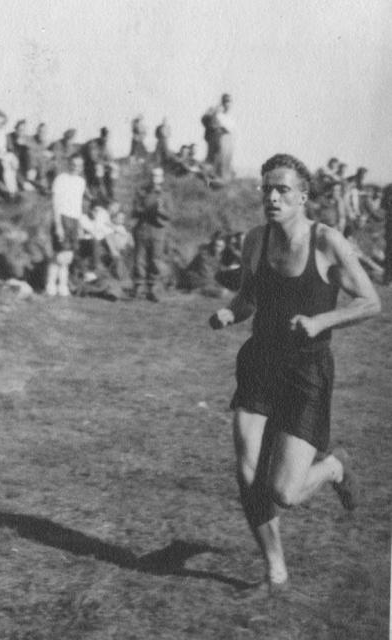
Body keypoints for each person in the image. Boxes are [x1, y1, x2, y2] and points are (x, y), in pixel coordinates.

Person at [209, 153, 380, 594]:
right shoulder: (254, 241)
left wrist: (320, 322)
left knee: (284, 491)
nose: (272, 196)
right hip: (260, 361)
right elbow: (249, 296)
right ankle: (275, 571)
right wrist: (230, 312)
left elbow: (371, 301)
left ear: (303, 197)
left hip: (307, 369)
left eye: (283, 189)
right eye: (266, 188)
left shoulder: (327, 241)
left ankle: (334, 469)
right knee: (247, 473)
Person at [45, 155, 87, 297]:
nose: (76, 168)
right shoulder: (61, 179)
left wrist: (80, 225)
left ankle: (62, 285)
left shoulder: (81, 182)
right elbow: (55, 203)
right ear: (69, 164)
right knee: (58, 255)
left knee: (68, 256)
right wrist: (58, 225)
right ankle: (51, 284)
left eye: (79, 165)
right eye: (74, 164)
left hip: (74, 220)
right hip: (62, 217)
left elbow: (79, 204)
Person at [131, 166, 173, 301]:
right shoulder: (142, 192)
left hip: (158, 231)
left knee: (156, 260)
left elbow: (170, 214)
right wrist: (146, 208)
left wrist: (160, 211)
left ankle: (153, 288)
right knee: (140, 260)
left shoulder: (166, 194)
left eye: (158, 176)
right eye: (153, 176)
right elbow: (134, 211)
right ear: (149, 177)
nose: (155, 179)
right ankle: (138, 286)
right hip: (143, 229)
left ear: (162, 178)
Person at [201, 93, 236, 182]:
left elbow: (231, 130)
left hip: (226, 140)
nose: (228, 104)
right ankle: (209, 177)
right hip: (216, 138)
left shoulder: (231, 117)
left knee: (224, 161)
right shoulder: (216, 112)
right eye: (226, 102)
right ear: (223, 102)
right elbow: (205, 120)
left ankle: (220, 178)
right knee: (213, 159)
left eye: (229, 102)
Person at [380, 184, 392, 285]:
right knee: (389, 253)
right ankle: (387, 278)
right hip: (390, 226)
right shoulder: (388, 189)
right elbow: (384, 206)